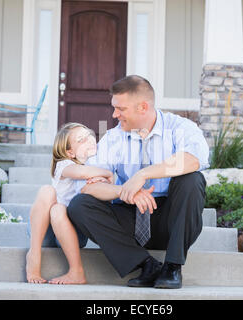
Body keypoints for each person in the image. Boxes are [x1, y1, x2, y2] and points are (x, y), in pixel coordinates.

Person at [66, 75, 209, 289]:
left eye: (120, 109)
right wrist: (125, 190)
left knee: (192, 179)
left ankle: (172, 267)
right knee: (80, 204)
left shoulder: (180, 127)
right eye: (114, 108)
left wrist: (142, 175)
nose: (114, 114)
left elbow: (194, 158)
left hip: (171, 221)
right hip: (130, 218)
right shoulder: (113, 138)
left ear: (143, 107)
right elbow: (88, 185)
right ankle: (146, 265)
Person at [25, 122, 113, 284]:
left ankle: (76, 271)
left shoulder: (96, 165)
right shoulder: (64, 165)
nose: (89, 140)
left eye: (89, 135)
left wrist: (102, 178)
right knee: (47, 191)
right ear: (70, 152)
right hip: (44, 232)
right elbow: (81, 172)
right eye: (81, 140)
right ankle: (34, 253)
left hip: (73, 234)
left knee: (58, 210)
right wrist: (107, 174)